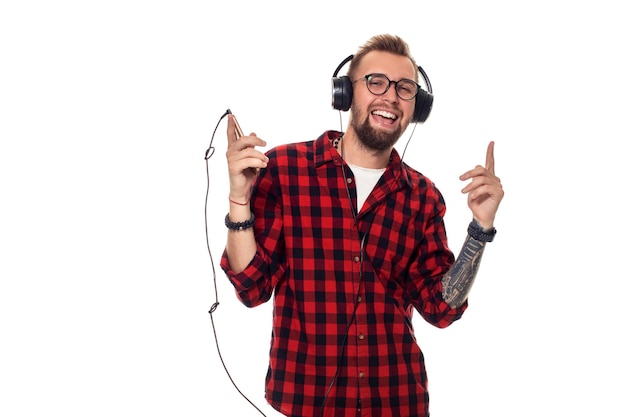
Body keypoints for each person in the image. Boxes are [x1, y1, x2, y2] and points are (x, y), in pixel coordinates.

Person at [220, 33, 504, 417]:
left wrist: (479, 228)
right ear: (345, 94)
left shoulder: (422, 196)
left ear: (416, 106)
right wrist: (240, 198)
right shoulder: (284, 171)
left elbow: (441, 308)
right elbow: (252, 289)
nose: (390, 96)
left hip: (397, 400)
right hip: (305, 400)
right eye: (376, 82)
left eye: (404, 88)